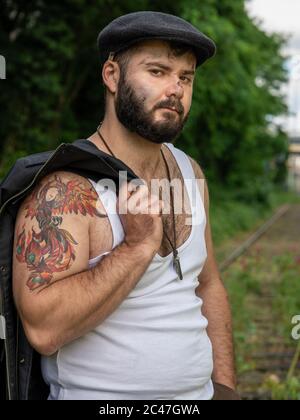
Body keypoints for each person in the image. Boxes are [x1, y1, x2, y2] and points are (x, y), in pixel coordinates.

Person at [12, 11, 239, 400]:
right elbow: (43, 331)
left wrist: (226, 388)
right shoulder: (65, 188)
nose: (176, 89)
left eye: (185, 77)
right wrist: (135, 248)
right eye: (157, 71)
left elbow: (208, 284)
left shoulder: (189, 171)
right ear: (112, 76)